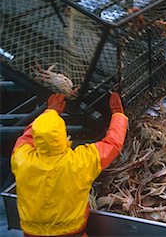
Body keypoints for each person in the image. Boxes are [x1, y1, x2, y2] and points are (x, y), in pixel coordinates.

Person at [11, 92, 128, 236]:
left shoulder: (21, 159)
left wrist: (49, 112)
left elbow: (27, 137)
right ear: (62, 134)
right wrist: (118, 115)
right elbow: (113, 144)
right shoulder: (80, 161)